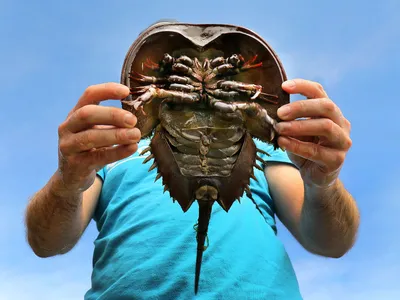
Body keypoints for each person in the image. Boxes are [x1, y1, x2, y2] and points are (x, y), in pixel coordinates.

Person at [24, 29, 359, 299]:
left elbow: (331, 242)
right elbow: (48, 241)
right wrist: (68, 181)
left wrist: (323, 182)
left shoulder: (264, 144)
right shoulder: (110, 150)